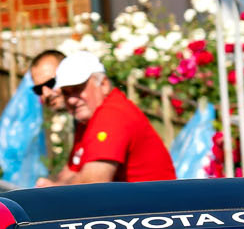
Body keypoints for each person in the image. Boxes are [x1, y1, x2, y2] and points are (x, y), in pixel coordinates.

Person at [39, 53, 174, 184]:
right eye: (66, 93)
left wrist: (52, 189)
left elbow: (93, 183)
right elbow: (71, 172)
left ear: (103, 84)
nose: (72, 100)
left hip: (157, 199)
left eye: (78, 89)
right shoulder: (89, 119)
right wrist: (49, 187)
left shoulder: (113, 114)